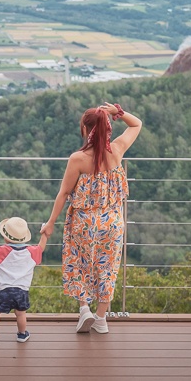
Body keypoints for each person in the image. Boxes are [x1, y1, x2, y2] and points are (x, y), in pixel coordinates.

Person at [40, 102, 142, 334]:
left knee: (79, 264)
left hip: (84, 222)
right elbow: (137, 124)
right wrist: (118, 112)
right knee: (108, 268)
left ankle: (84, 308)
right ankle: (101, 318)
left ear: (86, 130)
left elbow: (64, 193)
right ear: (108, 129)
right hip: (112, 222)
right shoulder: (116, 151)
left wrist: (50, 223)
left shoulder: (78, 159)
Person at [0, 216, 49, 344]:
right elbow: (41, 247)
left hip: (4, 290)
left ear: (6, 237)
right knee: (20, 314)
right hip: (22, 291)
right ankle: (22, 334)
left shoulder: (3, 251)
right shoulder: (31, 252)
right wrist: (45, 234)